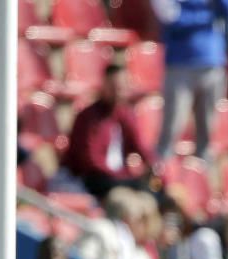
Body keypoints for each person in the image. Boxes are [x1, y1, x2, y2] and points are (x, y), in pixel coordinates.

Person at [152, 0, 228, 161]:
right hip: (180, 65)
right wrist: (207, 15)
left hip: (212, 64)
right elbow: (172, 19)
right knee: (173, 126)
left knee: (208, 128)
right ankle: (161, 173)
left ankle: (202, 177)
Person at [61, 64, 157, 200]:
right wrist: (121, 177)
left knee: (155, 191)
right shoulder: (88, 117)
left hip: (117, 178)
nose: (118, 92)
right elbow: (90, 161)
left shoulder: (125, 114)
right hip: (92, 180)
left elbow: (139, 145)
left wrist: (154, 166)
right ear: (104, 85)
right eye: (114, 87)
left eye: (121, 87)